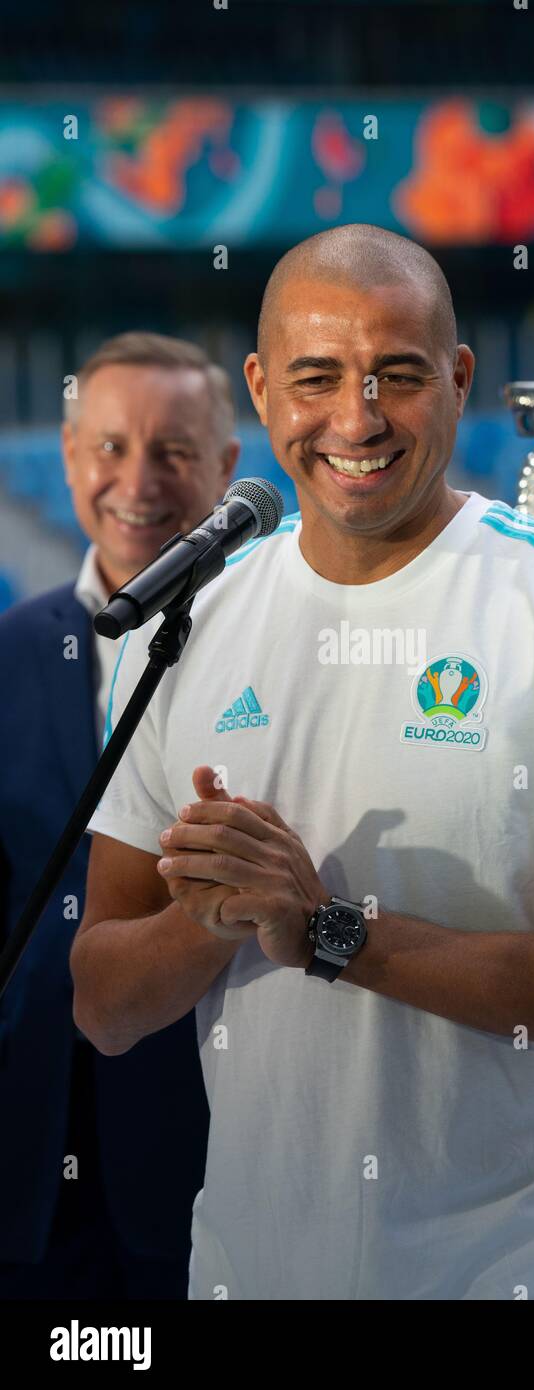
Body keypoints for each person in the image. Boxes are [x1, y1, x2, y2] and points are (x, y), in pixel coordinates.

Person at [72, 227, 534, 1301]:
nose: (356, 419)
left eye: (398, 376)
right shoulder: (177, 633)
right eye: (317, 378)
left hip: (516, 1279)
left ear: (458, 380)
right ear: (265, 391)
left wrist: (328, 931)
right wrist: (210, 918)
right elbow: (103, 1002)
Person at [0, 332, 239, 1298]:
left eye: (174, 452)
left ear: (226, 468)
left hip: (216, 1153)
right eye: (109, 447)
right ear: (67, 457)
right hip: (30, 1159)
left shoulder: (281, 648)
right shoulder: (10, 653)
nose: (137, 480)